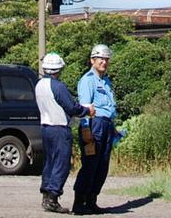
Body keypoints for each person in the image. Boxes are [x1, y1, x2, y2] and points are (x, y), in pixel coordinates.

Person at [36, 52, 95, 214]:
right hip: (59, 128)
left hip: (46, 127)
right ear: (58, 68)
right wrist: (87, 110)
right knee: (62, 163)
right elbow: (72, 107)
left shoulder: (39, 84)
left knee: (49, 162)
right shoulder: (58, 86)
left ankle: (46, 195)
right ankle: (53, 197)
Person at [73, 44, 118, 215]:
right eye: (101, 59)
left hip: (106, 124)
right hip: (93, 124)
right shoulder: (87, 80)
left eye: (106, 59)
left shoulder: (106, 81)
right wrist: (86, 131)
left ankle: (92, 200)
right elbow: (85, 108)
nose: (104, 62)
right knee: (90, 164)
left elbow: (110, 106)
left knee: (102, 165)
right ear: (92, 60)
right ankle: (79, 202)